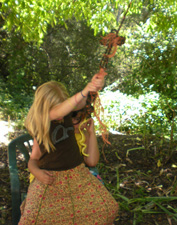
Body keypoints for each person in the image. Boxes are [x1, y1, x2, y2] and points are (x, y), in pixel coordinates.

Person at [19, 70, 118, 225]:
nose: (63, 113)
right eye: (58, 107)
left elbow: (81, 102)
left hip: (77, 176)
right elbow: (33, 160)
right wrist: (37, 173)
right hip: (50, 181)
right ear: (44, 107)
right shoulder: (41, 125)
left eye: (64, 105)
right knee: (33, 220)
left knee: (107, 209)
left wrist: (94, 86)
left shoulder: (66, 115)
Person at [28, 109, 103, 184]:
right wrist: (37, 173)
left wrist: (91, 132)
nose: (71, 123)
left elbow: (92, 162)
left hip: (71, 177)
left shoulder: (82, 135)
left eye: (77, 119)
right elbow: (33, 159)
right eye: (69, 119)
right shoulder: (45, 134)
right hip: (47, 177)